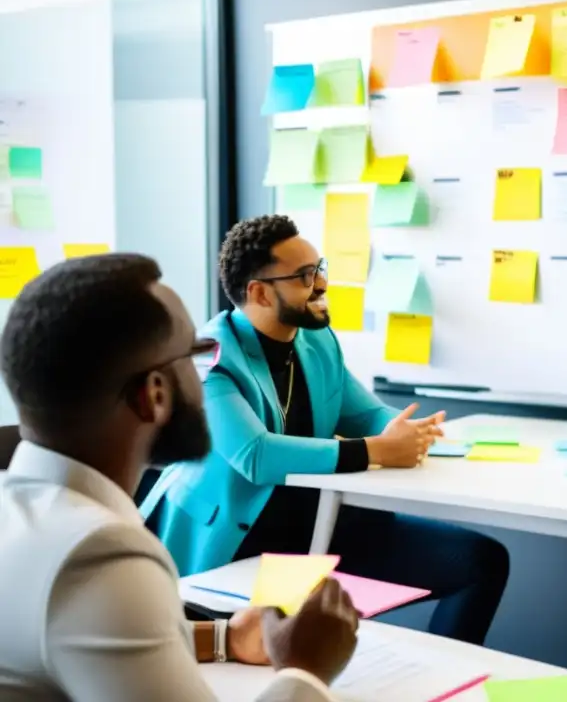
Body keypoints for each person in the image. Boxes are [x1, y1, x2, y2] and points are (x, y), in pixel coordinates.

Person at [0, 253, 361, 700]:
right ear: (154, 394)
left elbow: (72, 639)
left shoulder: (22, 515)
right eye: (197, 354)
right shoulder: (98, 554)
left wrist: (224, 639)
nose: (204, 374)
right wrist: (308, 668)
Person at [141, 215, 510, 646]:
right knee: (287, 640)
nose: (320, 285)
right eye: (304, 276)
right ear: (258, 292)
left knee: (479, 562)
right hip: (239, 540)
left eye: (320, 270)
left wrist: (406, 432)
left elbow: (364, 414)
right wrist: (375, 450)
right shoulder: (210, 358)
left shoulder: (316, 341)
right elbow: (256, 456)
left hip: (318, 523)